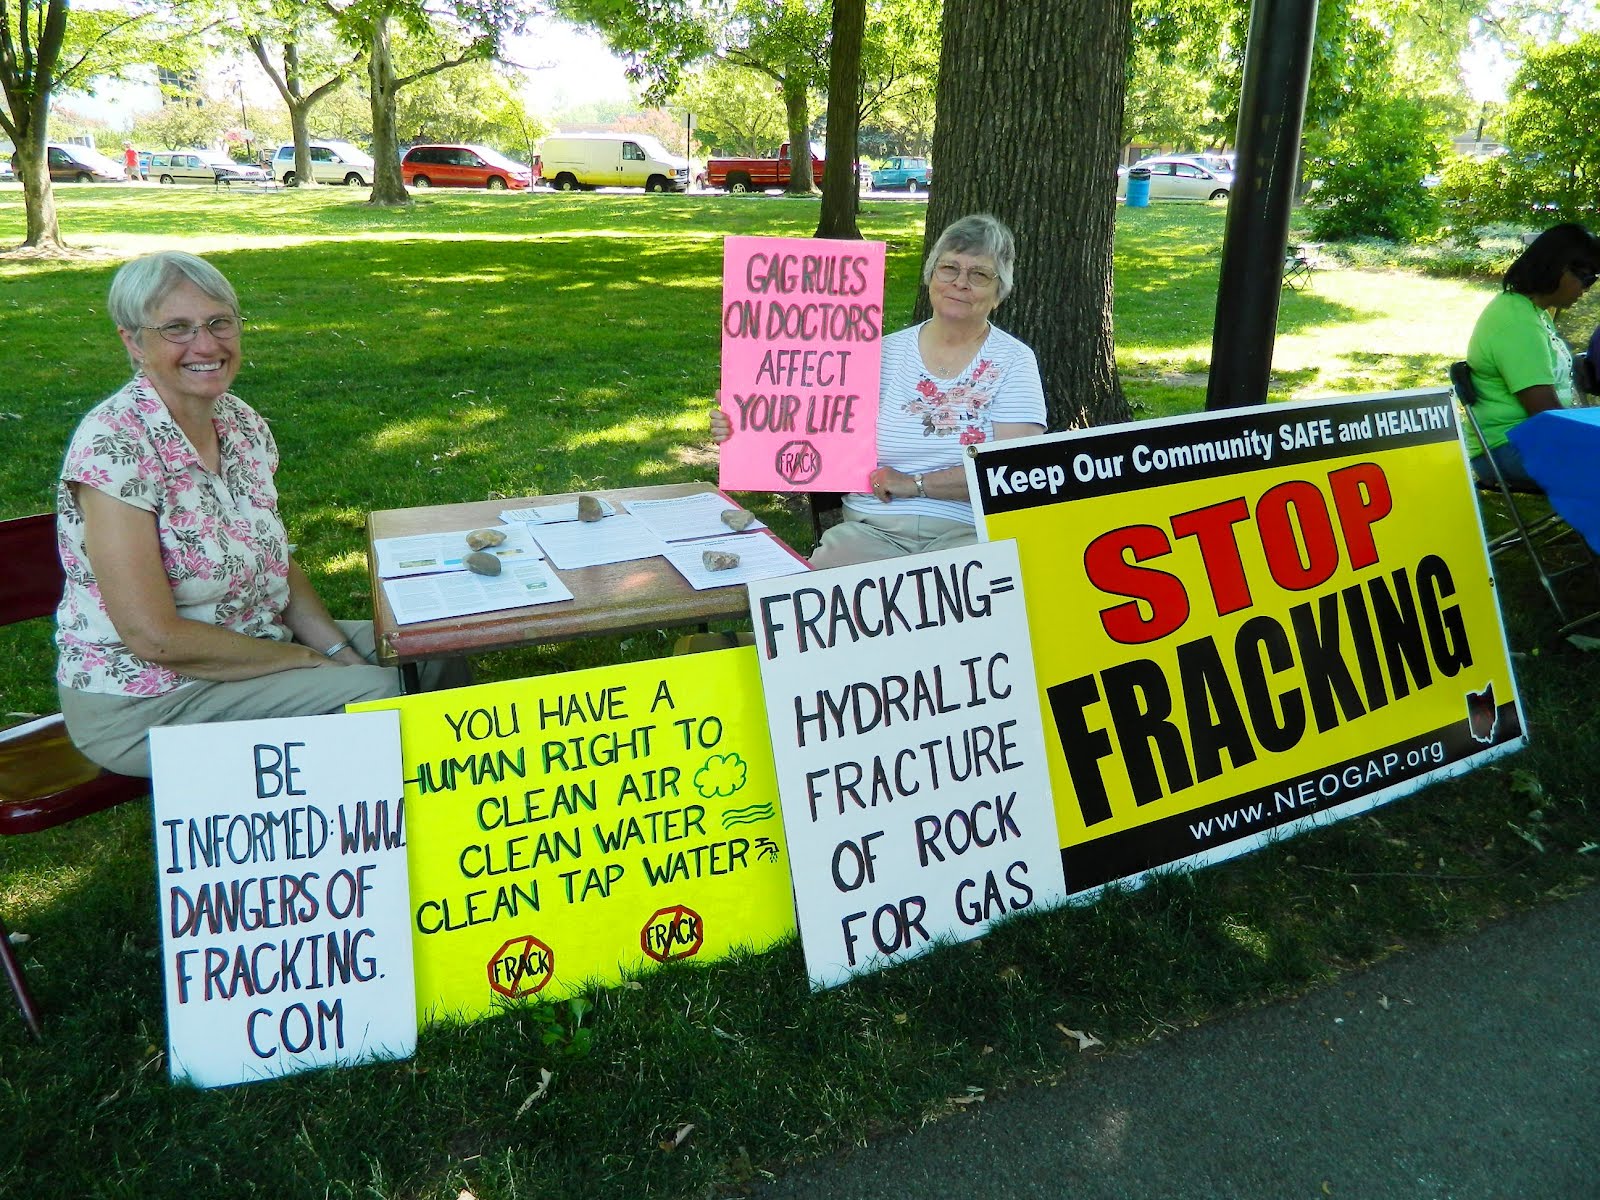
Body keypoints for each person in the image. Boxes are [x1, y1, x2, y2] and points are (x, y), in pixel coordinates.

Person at [55, 251, 463, 777]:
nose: (206, 345)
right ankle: (397, 811)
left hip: (254, 644)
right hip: (150, 698)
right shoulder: (114, 447)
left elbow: (274, 562)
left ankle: (439, 803)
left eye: (219, 322)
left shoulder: (240, 422)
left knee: (434, 651)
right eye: (177, 328)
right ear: (133, 342)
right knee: (383, 699)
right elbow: (154, 637)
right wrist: (305, 660)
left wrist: (337, 648)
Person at [712, 213, 1046, 566]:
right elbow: (810, 433)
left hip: (969, 533)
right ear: (931, 277)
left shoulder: (1014, 361)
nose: (960, 283)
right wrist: (746, 427)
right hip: (872, 529)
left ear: (999, 293)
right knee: (824, 581)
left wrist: (915, 484)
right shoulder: (876, 353)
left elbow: (1012, 471)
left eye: (979, 274)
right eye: (949, 268)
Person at [1464, 222, 1600, 485]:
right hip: (1507, 447)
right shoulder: (1517, 322)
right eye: (1586, 278)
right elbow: (1545, 414)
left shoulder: (1533, 312)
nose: (1586, 290)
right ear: (1559, 268)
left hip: (1535, 439)